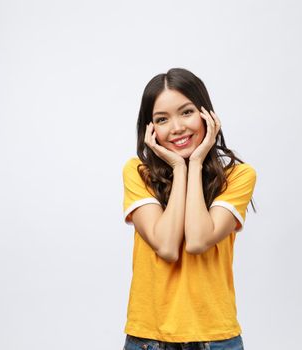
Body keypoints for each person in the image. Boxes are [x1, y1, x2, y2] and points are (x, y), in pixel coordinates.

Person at [122, 68, 256, 350]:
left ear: (207, 115)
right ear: (150, 128)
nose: (177, 127)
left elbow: (196, 240)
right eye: (162, 119)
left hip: (215, 338)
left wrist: (194, 164)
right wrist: (178, 168)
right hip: (150, 339)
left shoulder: (239, 177)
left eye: (186, 112)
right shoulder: (137, 173)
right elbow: (167, 246)